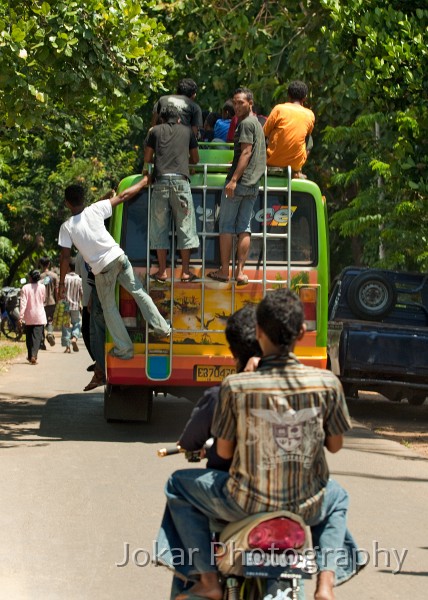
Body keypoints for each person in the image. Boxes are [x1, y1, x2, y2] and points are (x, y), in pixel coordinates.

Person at [155, 288, 363, 600]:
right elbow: (334, 445)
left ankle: (209, 581)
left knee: (177, 485)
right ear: (303, 332)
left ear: (260, 332)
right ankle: (326, 584)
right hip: (307, 503)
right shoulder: (327, 383)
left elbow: (223, 451)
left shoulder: (236, 387)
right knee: (338, 497)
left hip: (243, 501)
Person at [59, 185, 171, 361]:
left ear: (67, 203)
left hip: (102, 270)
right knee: (139, 293)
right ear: (84, 198)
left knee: (109, 308)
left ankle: (125, 349)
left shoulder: (66, 228)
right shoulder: (95, 209)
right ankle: (163, 328)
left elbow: (65, 258)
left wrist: (61, 283)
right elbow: (124, 196)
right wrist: (144, 181)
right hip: (119, 258)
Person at [119, 105, 200, 284]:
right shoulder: (188, 132)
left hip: (160, 182)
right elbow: (195, 159)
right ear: (179, 119)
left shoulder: (154, 131)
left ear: (162, 119)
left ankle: (162, 271)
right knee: (185, 226)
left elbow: (147, 158)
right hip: (181, 183)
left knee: (159, 228)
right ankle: (185, 272)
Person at [208, 87, 266, 286]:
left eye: (241, 102)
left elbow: (246, 152)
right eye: (235, 102)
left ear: (251, 103)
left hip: (240, 182)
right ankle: (240, 273)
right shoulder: (257, 123)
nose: (237, 106)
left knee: (225, 227)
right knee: (244, 227)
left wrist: (233, 180)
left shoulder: (246, 124)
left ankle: (225, 271)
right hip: (253, 183)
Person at [263, 80, 315, 178]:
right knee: (309, 138)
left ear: (288, 96)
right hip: (294, 166)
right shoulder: (310, 114)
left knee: (267, 135)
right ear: (305, 98)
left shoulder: (279, 109)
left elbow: (263, 134)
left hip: (273, 161)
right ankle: (297, 171)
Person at [18, 269, 47, 365]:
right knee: (37, 337)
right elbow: (43, 299)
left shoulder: (25, 288)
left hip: (29, 316)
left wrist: (21, 316)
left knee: (29, 337)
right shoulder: (42, 287)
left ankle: (30, 356)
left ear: (30, 277)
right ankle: (34, 355)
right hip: (39, 316)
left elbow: (23, 303)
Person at [61, 257, 82, 354]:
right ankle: (74, 337)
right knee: (77, 322)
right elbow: (82, 293)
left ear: (68, 268)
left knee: (66, 325)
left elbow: (61, 292)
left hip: (65, 305)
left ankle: (67, 347)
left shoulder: (64, 278)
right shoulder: (79, 279)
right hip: (76, 305)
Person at [38, 256, 59, 348]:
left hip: (40, 303)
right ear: (49, 263)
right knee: (49, 320)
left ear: (41, 264)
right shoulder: (54, 276)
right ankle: (50, 333)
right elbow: (57, 290)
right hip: (51, 302)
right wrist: (58, 301)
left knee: (41, 322)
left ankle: (41, 343)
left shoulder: (38, 276)